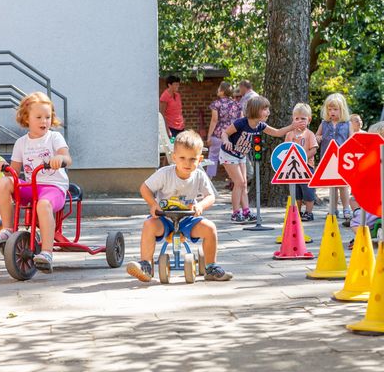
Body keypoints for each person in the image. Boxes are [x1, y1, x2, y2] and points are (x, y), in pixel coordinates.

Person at [126, 130, 233, 282]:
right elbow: (145, 188)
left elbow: (210, 196)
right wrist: (153, 204)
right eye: (182, 158)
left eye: (192, 159)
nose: (187, 163)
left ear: (200, 159)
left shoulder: (199, 175)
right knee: (149, 224)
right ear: (174, 157)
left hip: (188, 220)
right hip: (164, 219)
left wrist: (201, 205)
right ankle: (146, 265)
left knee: (210, 228)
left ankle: (210, 267)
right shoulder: (165, 174)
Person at [0, 92, 72, 274]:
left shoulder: (54, 138)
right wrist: (3, 166)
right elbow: (15, 172)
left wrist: (59, 158)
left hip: (53, 187)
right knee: (4, 183)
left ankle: (47, 252)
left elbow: (67, 158)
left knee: (43, 204)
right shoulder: (21, 143)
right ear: (27, 118)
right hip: (31, 186)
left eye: (48, 117)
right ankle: (8, 228)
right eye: (39, 117)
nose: (44, 121)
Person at [219, 95, 306, 223]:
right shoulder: (241, 123)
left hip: (241, 155)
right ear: (255, 110)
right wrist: (226, 141)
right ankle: (235, 213)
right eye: (265, 109)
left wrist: (291, 126)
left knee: (243, 184)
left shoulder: (260, 125)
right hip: (229, 153)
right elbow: (225, 133)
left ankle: (246, 211)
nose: (268, 112)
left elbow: (277, 132)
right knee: (239, 183)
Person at [315, 93, 353, 220]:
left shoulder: (347, 124)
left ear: (342, 110)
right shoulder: (324, 123)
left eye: (335, 109)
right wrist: (318, 138)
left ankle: (346, 208)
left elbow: (352, 139)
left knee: (343, 185)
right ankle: (333, 208)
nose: (332, 112)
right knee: (333, 186)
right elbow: (317, 136)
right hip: (328, 159)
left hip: (342, 159)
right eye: (329, 109)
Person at [347, 120, 384, 249]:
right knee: (354, 200)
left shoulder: (371, 160)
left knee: (355, 222)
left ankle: (362, 239)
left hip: (377, 206)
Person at [285, 104, 318, 221]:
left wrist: (302, 158)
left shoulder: (310, 134)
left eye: (303, 118)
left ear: (309, 120)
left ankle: (309, 212)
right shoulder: (289, 134)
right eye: (297, 118)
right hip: (294, 168)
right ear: (293, 120)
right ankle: (297, 212)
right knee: (296, 191)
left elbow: (313, 149)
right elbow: (286, 149)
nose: (300, 121)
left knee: (308, 191)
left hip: (307, 167)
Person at [206, 81, 242, 179]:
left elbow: (214, 120)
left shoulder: (216, 104)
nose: (217, 90)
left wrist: (209, 136)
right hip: (232, 135)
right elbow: (241, 120)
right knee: (232, 158)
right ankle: (234, 180)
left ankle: (209, 179)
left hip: (218, 134)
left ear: (222, 91)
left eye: (219, 88)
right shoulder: (237, 104)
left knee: (213, 157)